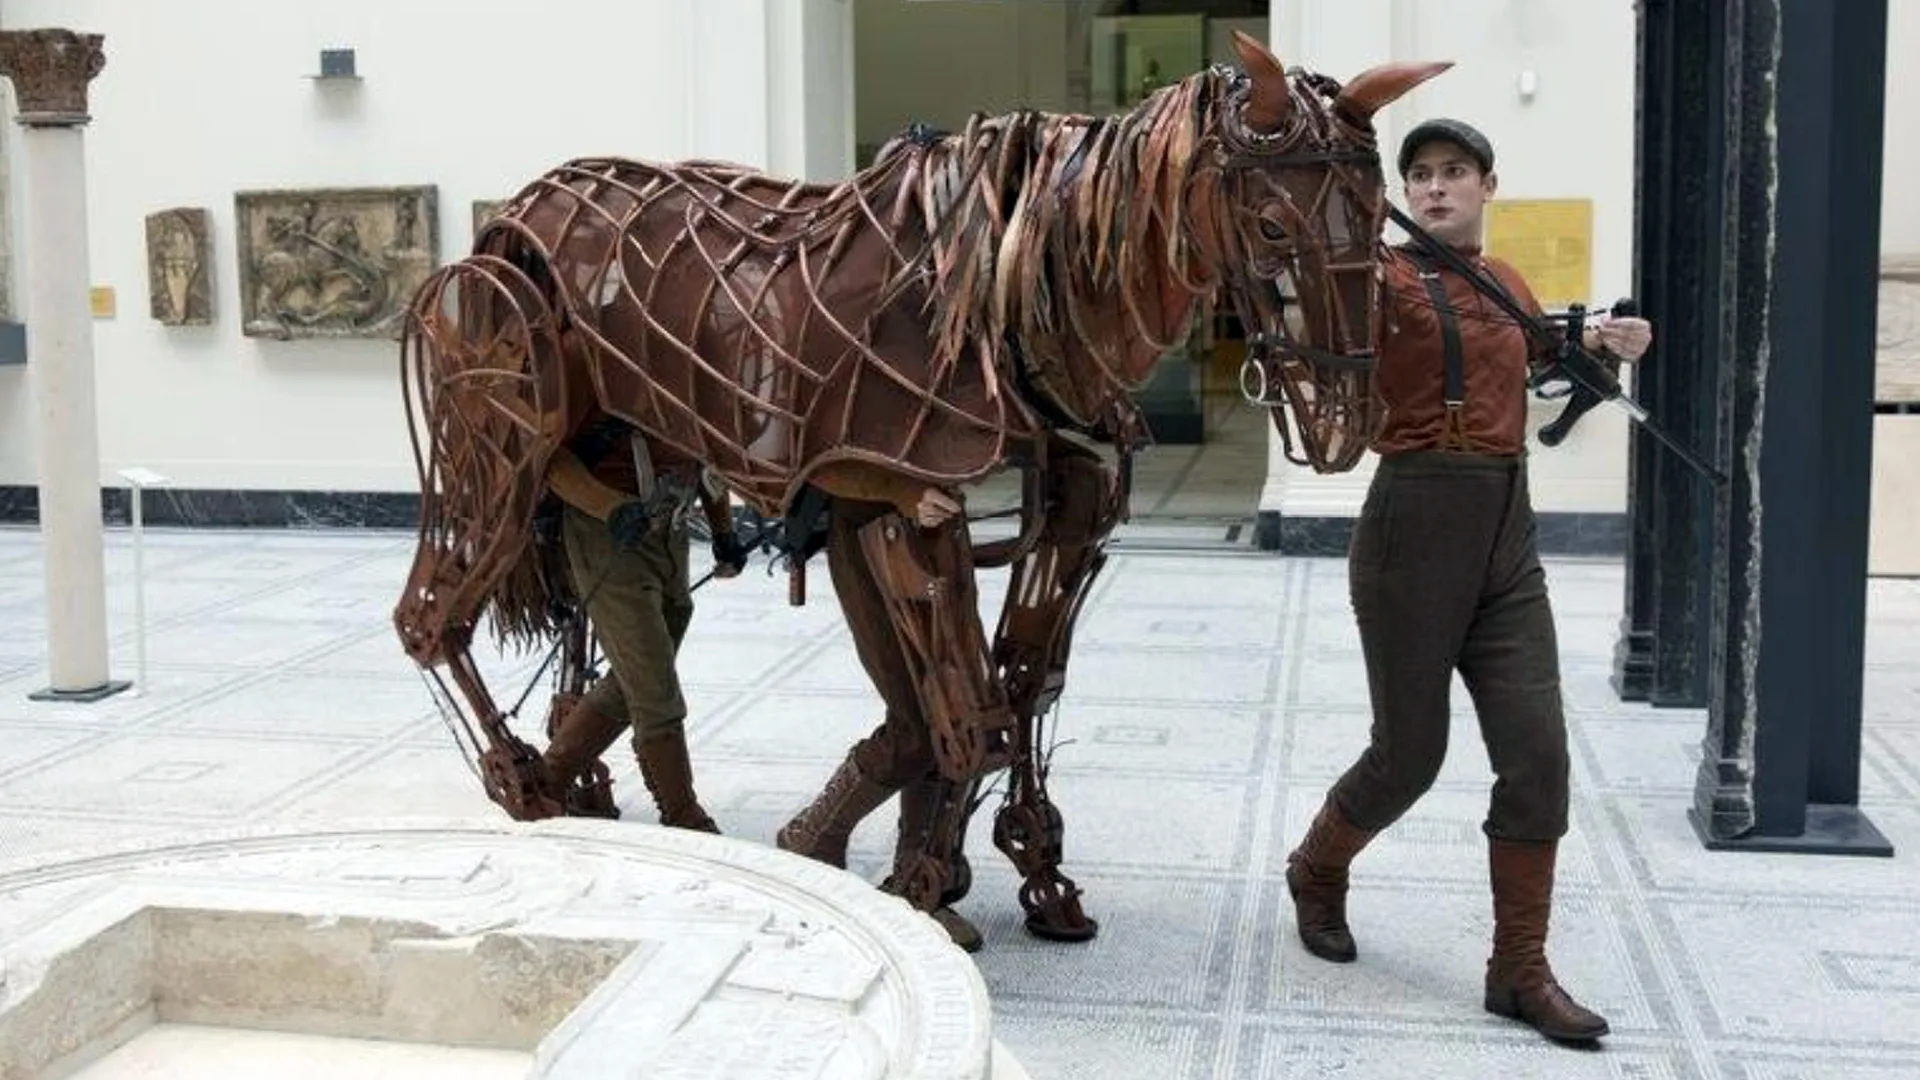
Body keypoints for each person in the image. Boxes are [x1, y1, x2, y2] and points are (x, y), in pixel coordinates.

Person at [1282, 118, 1652, 1045]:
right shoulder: (1382, 280)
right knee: (1409, 757)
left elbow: (1540, 372)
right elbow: (1325, 318)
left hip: (1506, 534)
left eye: (1454, 173)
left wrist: (1610, 345)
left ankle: (1518, 969)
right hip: (1412, 525)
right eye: (1421, 176)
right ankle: (1317, 868)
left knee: (1539, 758)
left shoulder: (1509, 283)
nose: (1436, 188)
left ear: (1489, 185)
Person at [532, 417, 749, 832]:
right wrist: (610, 508)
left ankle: (552, 778)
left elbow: (707, 455)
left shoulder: (686, 371)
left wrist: (724, 531)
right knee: (653, 682)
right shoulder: (604, 368)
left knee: (639, 672)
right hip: (608, 536)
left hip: (670, 532)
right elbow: (551, 458)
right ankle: (681, 811)